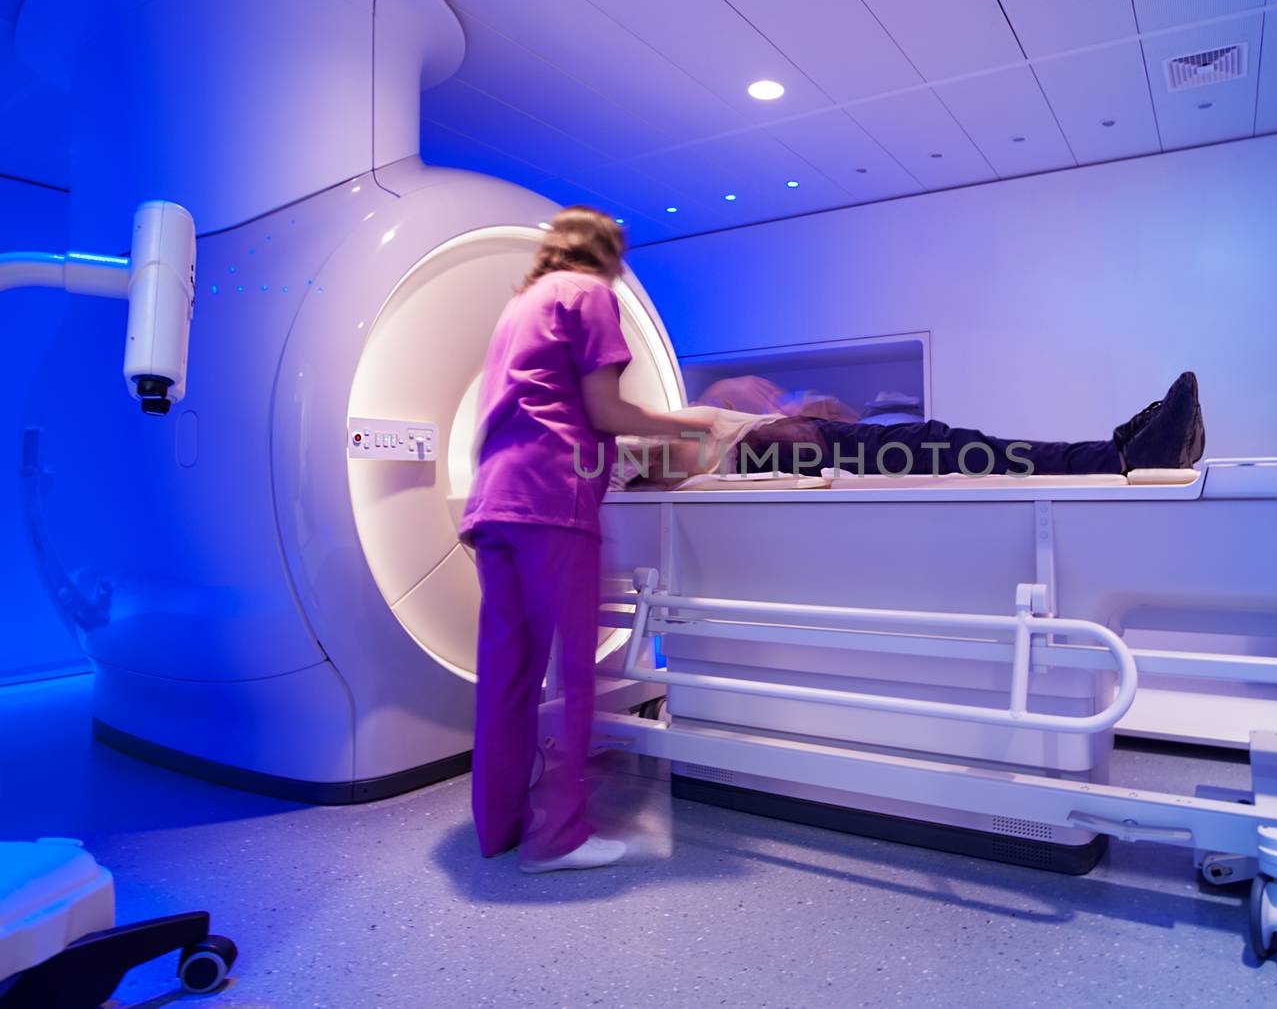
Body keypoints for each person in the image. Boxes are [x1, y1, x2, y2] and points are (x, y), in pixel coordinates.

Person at [459, 206, 712, 873]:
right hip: (552, 497)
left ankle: (499, 827)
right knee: (575, 670)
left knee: (506, 675)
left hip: (494, 500)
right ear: (607, 256)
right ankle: (559, 837)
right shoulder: (590, 293)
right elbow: (603, 410)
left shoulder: (521, 305)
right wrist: (688, 426)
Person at [619, 373, 1205, 486]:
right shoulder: (647, 433)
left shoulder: (714, 416)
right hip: (807, 453)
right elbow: (637, 465)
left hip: (820, 444)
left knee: (962, 448)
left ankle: (1116, 452)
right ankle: (1117, 457)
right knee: (963, 451)